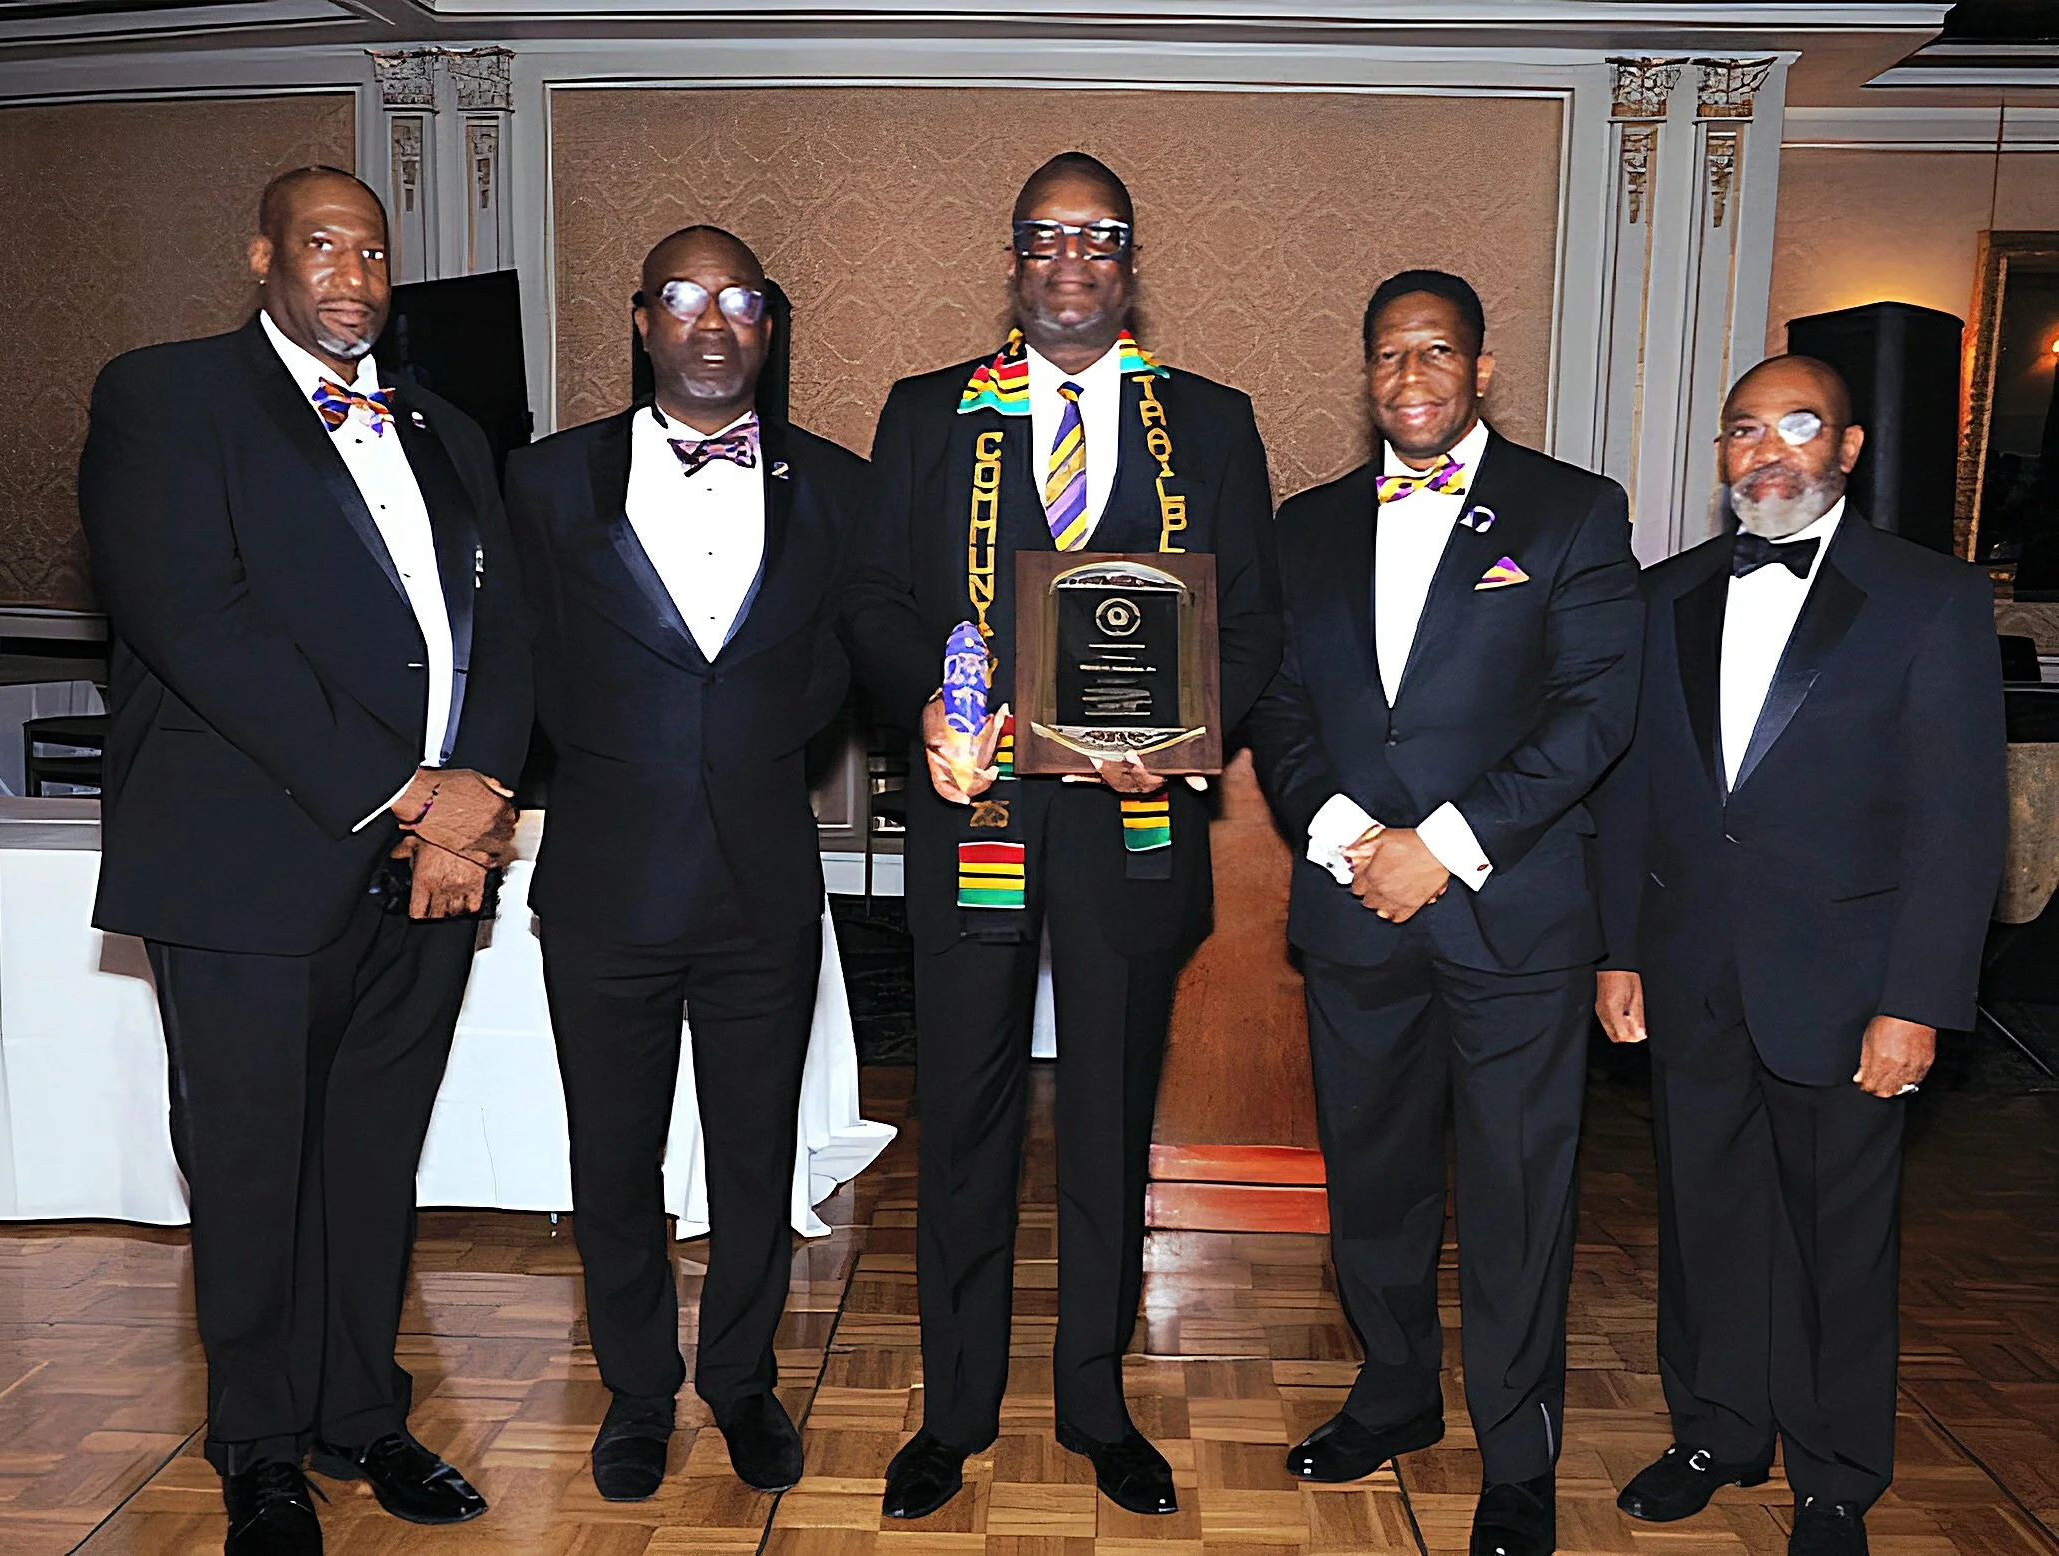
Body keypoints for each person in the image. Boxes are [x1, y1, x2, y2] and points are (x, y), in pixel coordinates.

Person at [78, 165, 531, 1556]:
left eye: (373, 252)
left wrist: (473, 800)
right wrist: (412, 793)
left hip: (425, 868)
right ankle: (259, 1444)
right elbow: (199, 625)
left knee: (371, 1157)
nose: (353, 275)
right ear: (262, 254)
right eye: (323, 246)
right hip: (249, 862)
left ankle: (360, 1413)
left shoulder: (445, 425)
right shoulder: (167, 397)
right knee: (253, 1165)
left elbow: (506, 625)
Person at [857, 152, 1282, 1521]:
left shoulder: (1209, 421)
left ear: (1131, 261)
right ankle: (956, 1410)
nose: (1072, 259)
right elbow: (873, 600)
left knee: (1107, 1120)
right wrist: (925, 699)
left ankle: (1098, 1404)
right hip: (975, 813)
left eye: (1099, 236)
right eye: (1046, 236)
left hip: (1130, 823)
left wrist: (1186, 729)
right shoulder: (927, 412)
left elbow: (1254, 620)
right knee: (964, 1116)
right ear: (1013, 259)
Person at [1244, 270, 1641, 1556]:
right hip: (1354, 903)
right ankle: (1395, 1389)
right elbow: (1280, 707)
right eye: (1387, 354)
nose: (1409, 376)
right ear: (1365, 373)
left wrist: (1444, 848)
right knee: (1375, 1178)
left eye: (1435, 351)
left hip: (1511, 914)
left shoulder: (1574, 510)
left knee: (1519, 1193)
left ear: (1481, 367)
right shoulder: (1306, 525)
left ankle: (1518, 1454)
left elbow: (1595, 710)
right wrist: (1352, 839)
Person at [1593, 356, 2007, 1556]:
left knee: (1839, 1240)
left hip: (1849, 986)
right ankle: (1715, 1430)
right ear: (1721, 452)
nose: (1767, 451)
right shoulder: (1663, 594)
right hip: (1690, 969)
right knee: (1704, 1218)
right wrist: (1618, 950)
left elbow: (1959, 821)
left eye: (1798, 424)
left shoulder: (1931, 597)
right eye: (1743, 429)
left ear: (1849, 447)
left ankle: (1835, 1475)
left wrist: (1917, 998)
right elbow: (1633, 792)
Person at [505, 226, 891, 1502]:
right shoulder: (545, 481)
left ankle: (740, 1378)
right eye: (683, 296)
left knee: (755, 1155)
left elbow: (859, 653)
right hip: (605, 881)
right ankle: (634, 1390)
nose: (712, 321)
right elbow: (509, 658)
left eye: (740, 299)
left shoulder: (837, 487)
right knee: (611, 1159)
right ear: (641, 322)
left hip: (763, 882)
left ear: (768, 327)